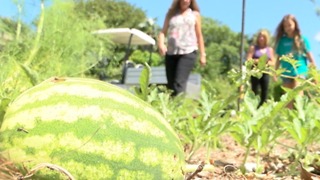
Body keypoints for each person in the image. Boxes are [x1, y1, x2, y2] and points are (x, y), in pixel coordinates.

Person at [157, 0, 206, 96]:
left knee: (179, 84)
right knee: (170, 86)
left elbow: (199, 35)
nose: (186, 1)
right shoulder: (171, 14)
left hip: (188, 52)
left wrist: (203, 54)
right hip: (171, 52)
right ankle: (171, 108)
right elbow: (163, 32)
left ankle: (179, 108)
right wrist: (161, 44)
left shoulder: (194, 15)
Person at [274, 14, 317, 109]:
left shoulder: (302, 39)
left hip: (300, 71)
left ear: (295, 24)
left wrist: (315, 74)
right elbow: (278, 58)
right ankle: (289, 118)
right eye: (285, 26)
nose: (287, 28)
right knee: (288, 97)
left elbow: (310, 57)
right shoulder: (282, 41)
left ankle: (300, 113)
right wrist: (275, 72)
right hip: (286, 72)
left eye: (289, 25)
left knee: (297, 92)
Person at [246, 29, 275, 108]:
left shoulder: (270, 50)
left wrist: (266, 62)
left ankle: (262, 108)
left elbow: (273, 62)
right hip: (255, 71)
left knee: (264, 92)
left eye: (263, 37)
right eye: (260, 36)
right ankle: (253, 108)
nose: (261, 38)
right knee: (254, 91)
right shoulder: (253, 48)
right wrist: (259, 61)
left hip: (266, 72)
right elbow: (248, 59)